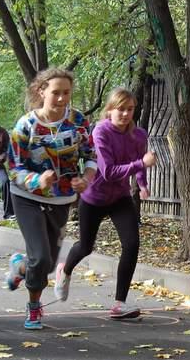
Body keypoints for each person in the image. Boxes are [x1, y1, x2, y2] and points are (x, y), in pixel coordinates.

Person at [5, 68, 97, 330]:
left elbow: (91, 155)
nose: (61, 98)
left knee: (45, 264)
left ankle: (21, 266)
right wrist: (36, 180)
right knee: (42, 257)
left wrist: (86, 178)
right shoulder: (26, 125)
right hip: (27, 197)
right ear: (41, 91)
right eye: (56, 92)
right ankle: (34, 307)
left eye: (66, 93)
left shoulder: (78, 121)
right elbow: (13, 167)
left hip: (61, 199)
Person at [54, 88, 156, 319]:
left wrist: (142, 184)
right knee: (86, 247)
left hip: (119, 198)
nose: (125, 114)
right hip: (94, 198)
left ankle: (120, 304)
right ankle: (65, 270)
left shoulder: (139, 135)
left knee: (132, 244)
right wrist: (141, 164)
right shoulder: (101, 131)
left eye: (130, 109)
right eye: (120, 109)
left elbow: (138, 161)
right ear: (109, 110)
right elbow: (108, 171)